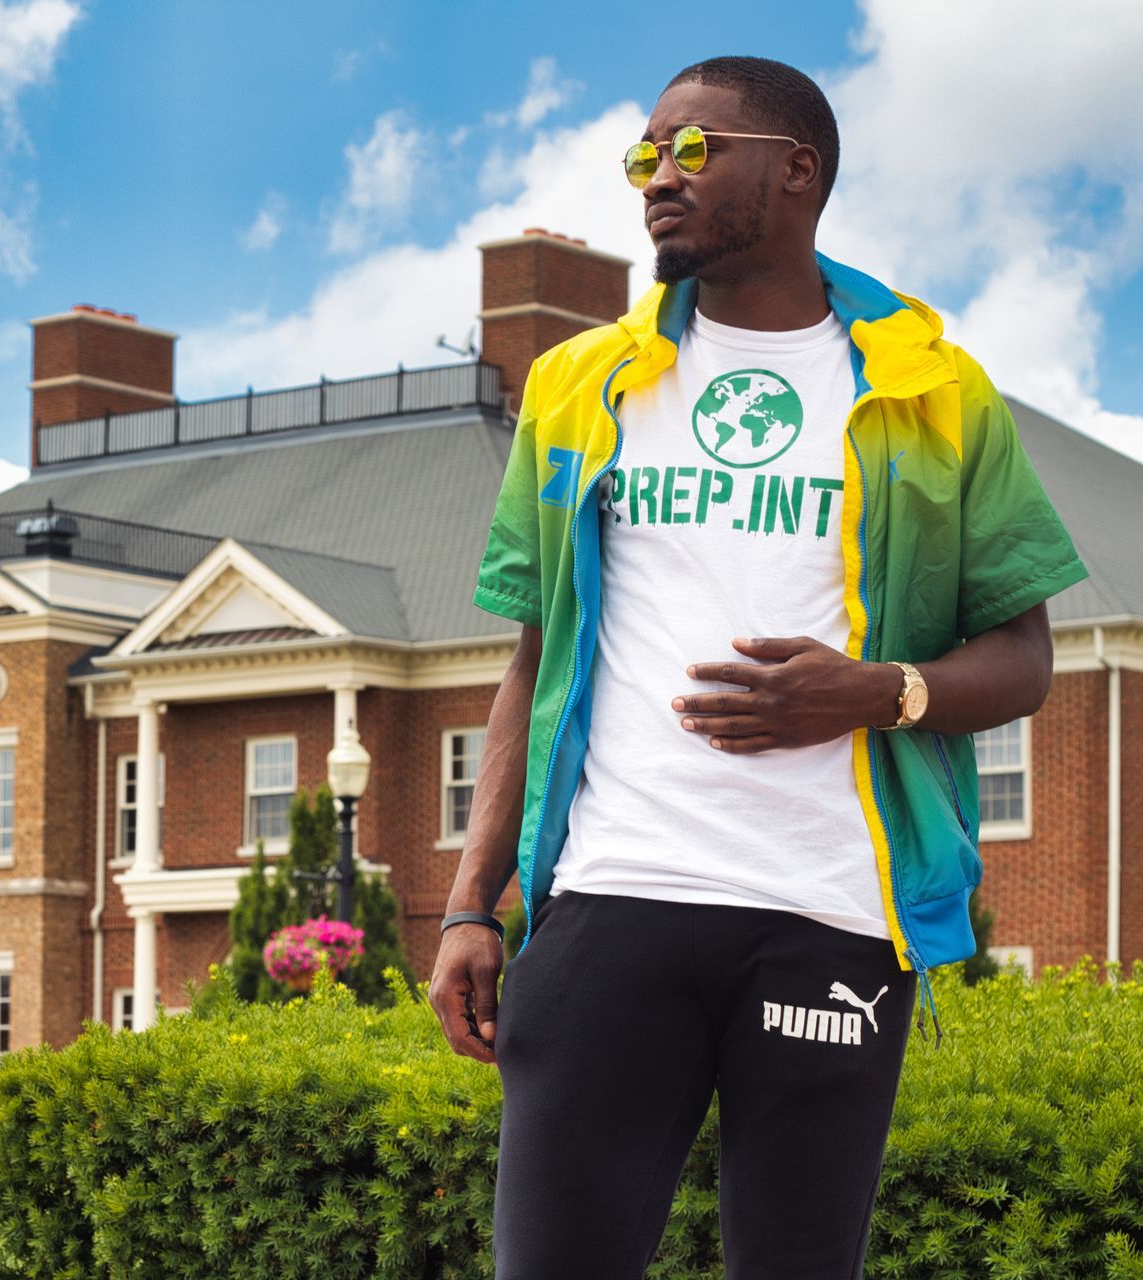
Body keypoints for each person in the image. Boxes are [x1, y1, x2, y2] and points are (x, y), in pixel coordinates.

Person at [431, 55, 1089, 1279]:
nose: (655, 181)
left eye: (690, 149)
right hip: (614, 897)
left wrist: (878, 689)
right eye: (643, 157)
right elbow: (534, 658)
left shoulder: (935, 390)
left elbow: (1026, 654)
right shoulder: (582, 388)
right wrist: (476, 900)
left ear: (797, 170)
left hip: (831, 913)